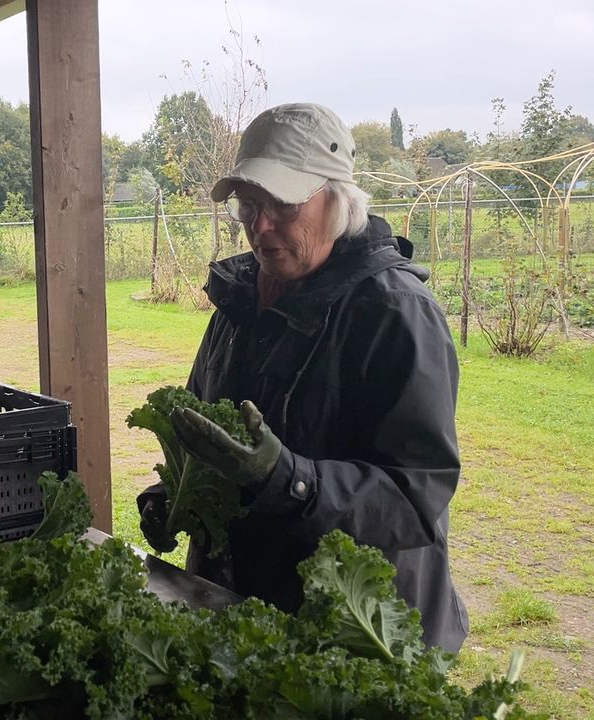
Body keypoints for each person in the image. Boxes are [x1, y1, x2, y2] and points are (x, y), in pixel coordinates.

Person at [137, 103, 468, 653]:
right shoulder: (239, 304)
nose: (259, 225)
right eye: (248, 204)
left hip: (355, 628)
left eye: (283, 205)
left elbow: (416, 499)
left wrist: (287, 479)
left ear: (339, 201)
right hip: (244, 607)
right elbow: (203, 430)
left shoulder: (394, 313)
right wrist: (173, 492)